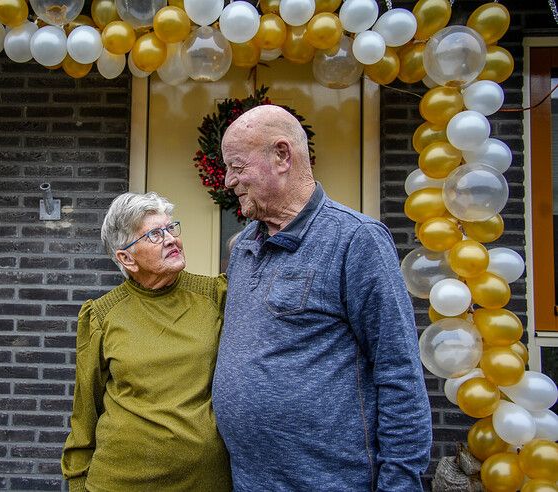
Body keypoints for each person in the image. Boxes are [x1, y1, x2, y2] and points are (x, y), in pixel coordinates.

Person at [212, 105, 432, 491]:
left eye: (236, 165)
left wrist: (399, 482)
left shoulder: (356, 240)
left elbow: (398, 371)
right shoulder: (245, 245)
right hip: (250, 481)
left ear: (282, 156)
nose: (229, 180)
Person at [61, 192, 232, 492]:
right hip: (118, 481)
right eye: (154, 234)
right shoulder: (101, 315)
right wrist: (76, 482)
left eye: (170, 228)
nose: (170, 239)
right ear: (126, 257)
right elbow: (84, 408)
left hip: (204, 480)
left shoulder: (215, 296)